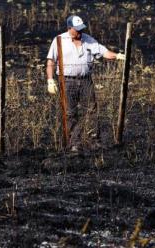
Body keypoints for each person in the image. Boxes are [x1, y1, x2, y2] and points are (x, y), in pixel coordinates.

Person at [46, 15, 126, 151]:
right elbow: (50, 62)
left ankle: (94, 141)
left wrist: (117, 56)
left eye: (81, 29)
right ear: (69, 28)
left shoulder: (88, 40)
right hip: (66, 81)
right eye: (77, 30)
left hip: (85, 81)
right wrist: (50, 80)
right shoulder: (59, 40)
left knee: (91, 110)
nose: (79, 32)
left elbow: (104, 52)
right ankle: (74, 144)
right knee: (70, 113)